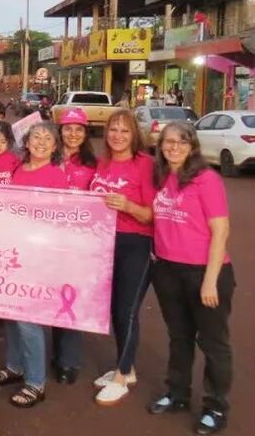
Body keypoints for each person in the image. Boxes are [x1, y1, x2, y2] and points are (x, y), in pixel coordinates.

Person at [148, 122, 234, 435]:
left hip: (205, 273)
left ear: (192, 146)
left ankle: (215, 407)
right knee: (179, 337)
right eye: (168, 142)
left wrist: (210, 281)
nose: (173, 147)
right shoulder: (161, 176)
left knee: (213, 343)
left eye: (181, 142)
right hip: (168, 270)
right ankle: (177, 393)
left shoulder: (205, 179)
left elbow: (221, 230)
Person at [0, 122, 68, 409]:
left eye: (48, 138)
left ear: (56, 147)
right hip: (12, 252)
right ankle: (15, 366)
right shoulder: (19, 170)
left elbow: (60, 220)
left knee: (28, 320)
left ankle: (35, 382)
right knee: (10, 314)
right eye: (36, 137)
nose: (42, 142)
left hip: (38, 257)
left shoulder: (57, 176)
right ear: (26, 142)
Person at [88, 109, 156, 406]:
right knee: (114, 309)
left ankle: (122, 374)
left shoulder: (146, 165)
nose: (117, 135)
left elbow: (153, 214)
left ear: (135, 135)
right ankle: (126, 368)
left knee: (127, 309)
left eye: (124, 131)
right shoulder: (102, 164)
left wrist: (128, 205)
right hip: (104, 243)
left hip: (136, 243)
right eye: (113, 130)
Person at [52, 108, 97, 385]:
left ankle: (69, 361)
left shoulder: (93, 165)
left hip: (79, 244)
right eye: (67, 128)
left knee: (71, 300)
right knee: (50, 297)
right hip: (48, 241)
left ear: (85, 133)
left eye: (78, 129)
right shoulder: (47, 158)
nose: (72, 133)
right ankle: (56, 353)